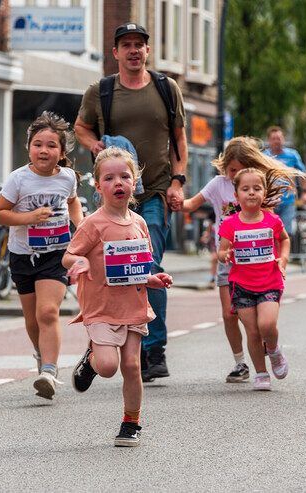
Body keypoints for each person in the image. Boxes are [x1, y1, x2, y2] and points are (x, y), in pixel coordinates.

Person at [75, 22, 187, 382]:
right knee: (106, 264)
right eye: (127, 45)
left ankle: (154, 349)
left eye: (140, 44)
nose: (134, 50)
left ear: (147, 51)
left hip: (153, 189)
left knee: (147, 262)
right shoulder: (102, 90)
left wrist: (178, 182)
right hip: (113, 192)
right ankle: (101, 340)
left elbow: (179, 139)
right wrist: (96, 147)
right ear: (116, 52)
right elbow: (81, 127)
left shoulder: (166, 89)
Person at [65, 148, 173, 447]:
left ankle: (131, 421)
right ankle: (92, 358)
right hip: (101, 307)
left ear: (135, 182)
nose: (118, 182)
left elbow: (138, 267)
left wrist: (154, 279)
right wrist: (79, 262)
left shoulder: (139, 223)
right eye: (109, 178)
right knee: (109, 366)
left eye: (125, 176)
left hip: (133, 304)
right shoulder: (93, 223)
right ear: (98, 186)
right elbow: (70, 254)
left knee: (131, 366)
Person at [183, 137, 304, 383]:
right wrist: (176, 201)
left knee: (260, 323)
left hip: (257, 265)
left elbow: (274, 230)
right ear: (225, 168)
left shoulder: (256, 185)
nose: (236, 175)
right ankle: (241, 363)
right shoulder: (218, 184)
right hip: (228, 260)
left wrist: (280, 259)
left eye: (241, 168)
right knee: (230, 315)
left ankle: (268, 351)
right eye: (232, 170)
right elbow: (191, 204)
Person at [0, 112, 83, 399]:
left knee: (47, 312)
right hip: (22, 255)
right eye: (38, 144)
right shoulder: (18, 179)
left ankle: (49, 371)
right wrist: (29, 217)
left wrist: (79, 225)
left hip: (56, 253)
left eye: (52, 145)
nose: (44, 150)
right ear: (29, 147)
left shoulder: (67, 177)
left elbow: (73, 203)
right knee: (32, 319)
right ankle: (40, 353)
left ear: (62, 151)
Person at [218, 168, 292, 391]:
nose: (251, 193)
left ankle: (274, 349)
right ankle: (261, 373)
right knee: (252, 332)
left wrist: (284, 258)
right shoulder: (230, 223)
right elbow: (221, 252)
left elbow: (285, 239)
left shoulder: (273, 220)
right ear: (236, 196)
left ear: (264, 192)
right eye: (245, 189)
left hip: (269, 282)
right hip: (241, 285)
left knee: (267, 324)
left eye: (256, 188)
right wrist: (226, 255)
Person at [264, 126, 306, 236]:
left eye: (279, 138)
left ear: (283, 139)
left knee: (286, 233)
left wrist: (304, 192)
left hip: (288, 201)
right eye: (273, 138)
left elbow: (303, 173)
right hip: (269, 201)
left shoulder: (292, 155)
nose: (276, 141)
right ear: (269, 141)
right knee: (270, 232)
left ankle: (285, 253)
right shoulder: (264, 156)